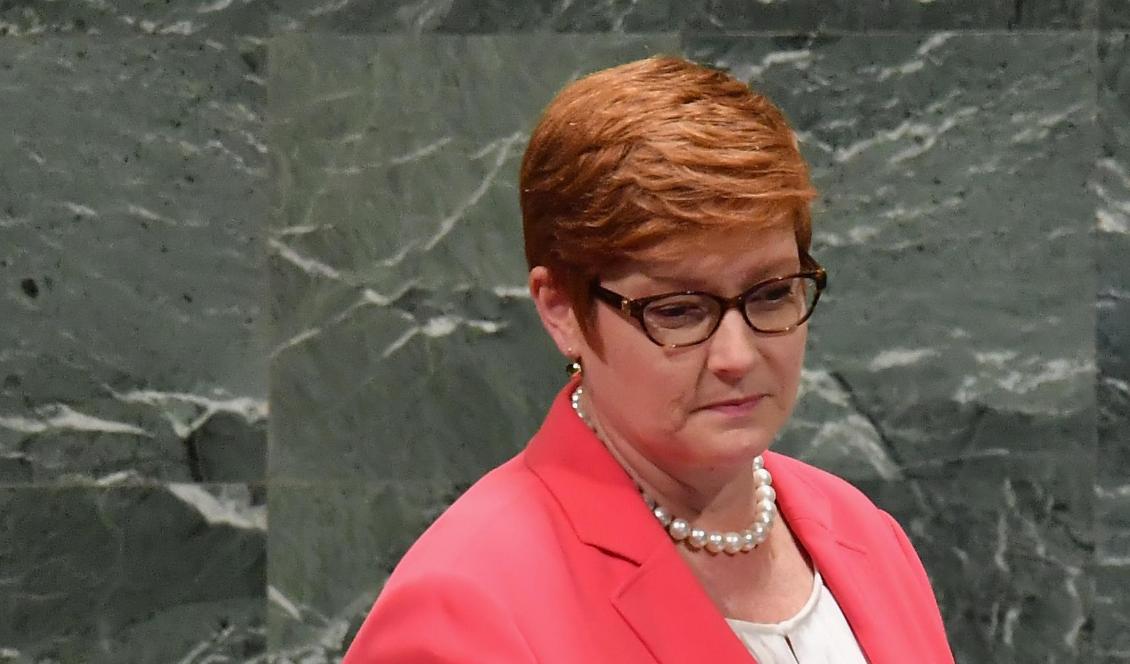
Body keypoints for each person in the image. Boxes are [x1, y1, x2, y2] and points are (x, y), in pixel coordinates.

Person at [344, 55, 955, 663]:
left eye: (771, 295)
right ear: (561, 310)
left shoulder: (865, 536)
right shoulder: (464, 607)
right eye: (679, 311)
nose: (737, 355)